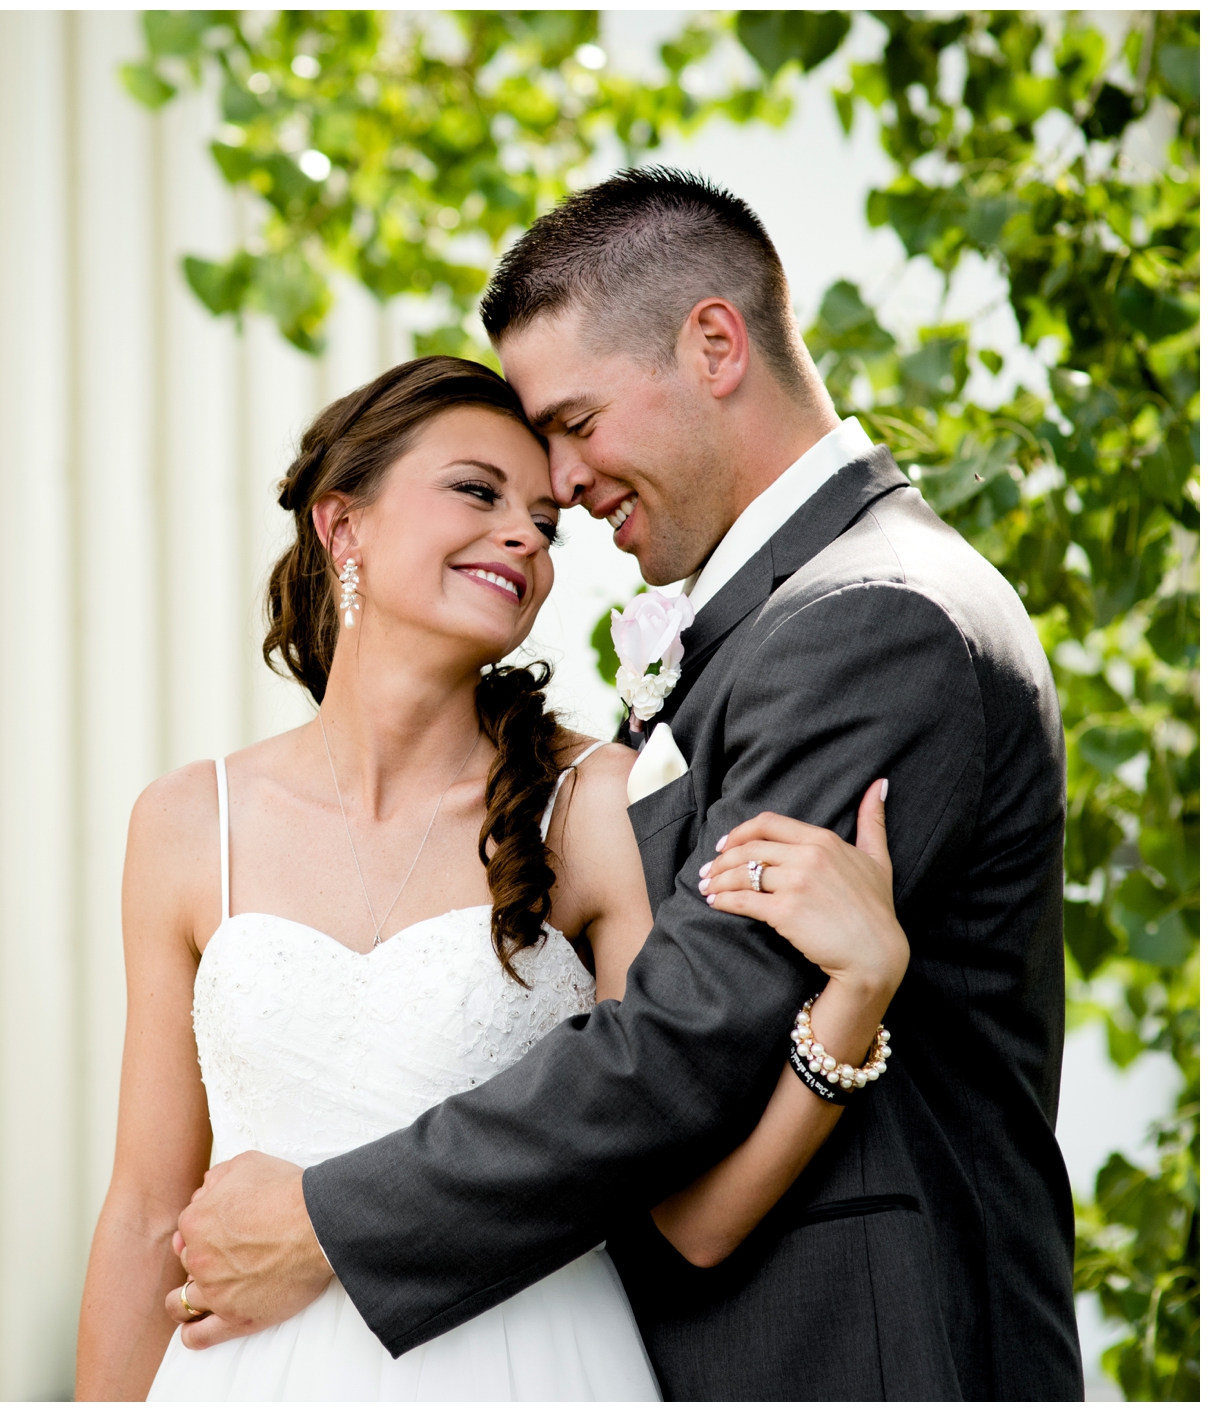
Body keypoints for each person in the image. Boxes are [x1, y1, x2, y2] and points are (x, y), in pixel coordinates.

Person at [157, 169, 1081, 1401]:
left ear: (713, 343)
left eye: (577, 424)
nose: (567, 499)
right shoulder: (785, 616)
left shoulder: (871, 618)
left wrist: (328, 1219)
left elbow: (682, 1041)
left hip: (856, 1346)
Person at [74, 353, 912, 1400]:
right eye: (476, 490)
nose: (524, 533)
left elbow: (694, 1216)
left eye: (544, 521)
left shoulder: (596, 806)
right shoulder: (189, 823)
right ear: (345, 527)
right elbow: (147, 1212)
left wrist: (858, 995)